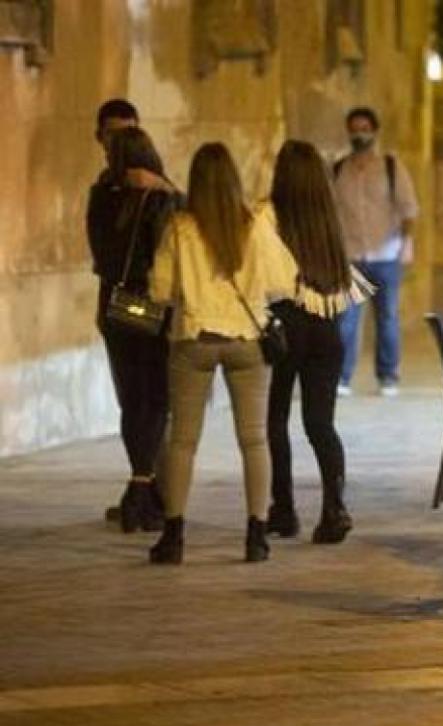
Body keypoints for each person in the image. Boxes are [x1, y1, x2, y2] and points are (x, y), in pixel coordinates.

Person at [146, 143, 299, 565]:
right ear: (233, 180)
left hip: (194, 339)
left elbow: (160, 290)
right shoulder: (254, 226)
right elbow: (284, 281)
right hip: (246, 341)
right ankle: (256, 535)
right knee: (254, 439)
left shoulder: (179, 227)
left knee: (183, 441)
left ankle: (174, 536)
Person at [266, 140, 371, 544]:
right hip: (327, 329)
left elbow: (263, 274)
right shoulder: (327, 218)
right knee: (320, 424)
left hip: (285, 324)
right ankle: (334, 508)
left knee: (276, 420)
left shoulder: (268, 216)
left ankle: (283, 509)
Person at [86, 126, 180, 533]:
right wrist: (167, 188)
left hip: (113, 308)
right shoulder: (161, 199)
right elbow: (172, 251)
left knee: (132, 401)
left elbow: (100, 255)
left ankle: (140, 485)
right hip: (150, 309)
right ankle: (143, 490)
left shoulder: (102, 197)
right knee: (156, 399)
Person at [333, 107, 419, 398]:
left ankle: (388, 377)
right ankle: (342, 377)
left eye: (365, 127)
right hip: (351, 257)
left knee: (388, 319)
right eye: (355, 128)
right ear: (348, 132)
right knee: (346, 321)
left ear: (375, 131)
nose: (360, 133)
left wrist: (407, 243)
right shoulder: (338, 170)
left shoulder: (391, 167)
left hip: (386, 255)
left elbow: (408, 209)